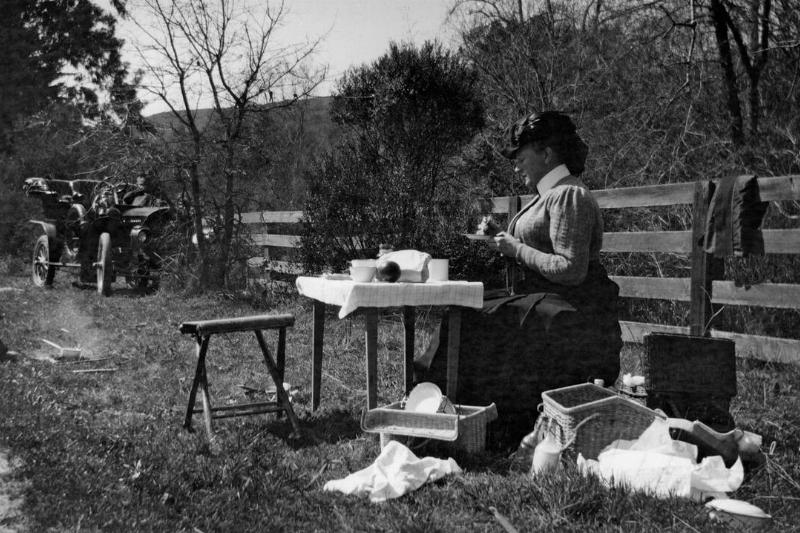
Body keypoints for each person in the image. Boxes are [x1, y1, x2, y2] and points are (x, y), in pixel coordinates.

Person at [415, 111, 622, 448]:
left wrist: (516, 249)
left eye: (521, 158)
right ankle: (437, 404)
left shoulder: (570, 195)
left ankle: (467, 416)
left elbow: (571, 269)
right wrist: (505, 240)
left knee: (477, 319)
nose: (516, 167)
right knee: (464, 307)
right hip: (544, 297)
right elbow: (536, 249)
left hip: (573, 306)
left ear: (547, 154)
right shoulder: (548, 194)